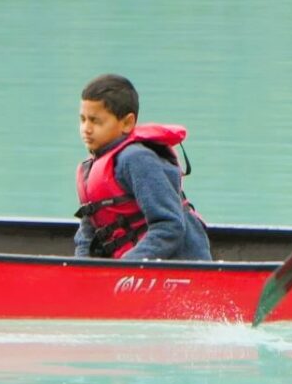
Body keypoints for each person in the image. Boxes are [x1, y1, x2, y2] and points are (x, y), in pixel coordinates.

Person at [73, 75, 211, 262]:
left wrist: (125, 267)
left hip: (178, 262)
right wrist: (82, 266)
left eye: (96, 121)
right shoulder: (89, 169)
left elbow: (169, 225)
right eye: (83, 120)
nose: (86, 129)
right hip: (129, 267)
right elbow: (87, 232)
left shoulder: (137, 160)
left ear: (127, 123)